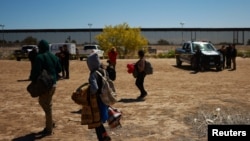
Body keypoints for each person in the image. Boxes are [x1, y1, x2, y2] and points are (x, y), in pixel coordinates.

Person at [30, 40, 62, 136]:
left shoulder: (39, 57)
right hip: (53, 84)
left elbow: (35, 72)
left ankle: (49, 129)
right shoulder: (54, 57)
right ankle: (51, 122)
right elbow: (59, 69)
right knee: (45, 103)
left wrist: (33, 80)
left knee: (47, 106)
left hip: (44, 85)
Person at [86, 53, 111, 141]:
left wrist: (90, 92)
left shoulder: (93, 74)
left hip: (98, 100)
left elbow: (95, 88)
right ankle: (105, 136)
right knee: (100, 121)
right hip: (106, 98)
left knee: (96, 121)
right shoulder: (104, 70)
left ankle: (102, 138)